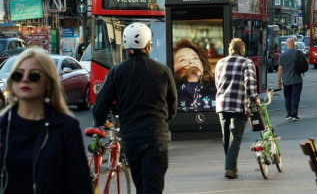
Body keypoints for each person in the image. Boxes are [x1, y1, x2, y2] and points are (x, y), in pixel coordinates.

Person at [93, 23, 177, 194]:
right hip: (156, 138)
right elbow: (172, 108)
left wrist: (103, 122)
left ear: (125, 46)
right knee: (152, 189)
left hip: (131, 139)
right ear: (148, 46)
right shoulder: (163, 71)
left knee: (141, 187)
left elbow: (99, 107)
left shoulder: (116, 72)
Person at [0, 48, 93, 194]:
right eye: (18, 74)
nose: (25, 79)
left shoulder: (65, 127)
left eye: (34, 75)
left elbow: (80, 185)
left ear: (49, 83)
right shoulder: (3, 126)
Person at [215, 38, 260, 179]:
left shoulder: (220, 62)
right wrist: (254, 99)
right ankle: (229, 168)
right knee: (235, 138)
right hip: (239, 105)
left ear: (230, 49)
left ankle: (232, 166)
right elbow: (250, 84)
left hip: (222, 104)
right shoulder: (247, 63)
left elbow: (217, 83)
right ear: (243, 50)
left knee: (226, 138)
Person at [173, 39, 216, 112]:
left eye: (195, 58)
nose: (191, 61)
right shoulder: (167, 95)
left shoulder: (218, 89)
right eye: (182, 60)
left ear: (202, 67)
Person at [277, 38, 303, 121]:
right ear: (294, 44)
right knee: (295, 96)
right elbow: (305, 63)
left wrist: (279, 80)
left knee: (288, 97)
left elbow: (280, 68)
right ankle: (294, 114)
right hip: (297, 79)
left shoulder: (282, 55)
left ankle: (288, 113)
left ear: (286, 45)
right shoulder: (299, 53)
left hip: (286, 80)